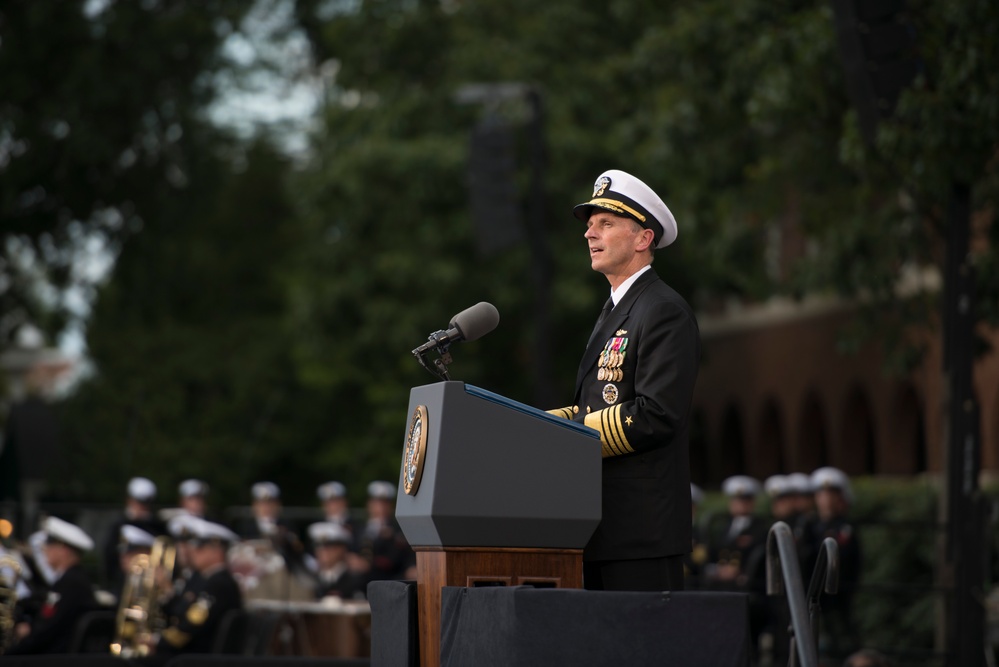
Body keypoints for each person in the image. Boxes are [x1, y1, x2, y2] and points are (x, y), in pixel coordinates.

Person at [545, 169, 700, 592]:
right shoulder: (619, 306)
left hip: (640, 533)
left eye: (605, 223)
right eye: (590, 225)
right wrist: (533, 424)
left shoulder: (662, 309)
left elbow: (656, 414)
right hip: (601, 526)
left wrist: (566, 433)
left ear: (643, 238)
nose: (589, 234)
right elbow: (595, 406)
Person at [152, 518, 243, 659]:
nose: (192, 551)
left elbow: (191, 626)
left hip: (198, 658)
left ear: (216, 551)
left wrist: (156, 642)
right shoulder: (208, 580)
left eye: (199, 547)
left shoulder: (219, 584)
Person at [7, 516, 97, 654]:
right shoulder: (72, 579)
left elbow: (45, 633)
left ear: (64, 550)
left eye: (49, 545)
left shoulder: (70, 583)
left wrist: (10, 653)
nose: (45, 550)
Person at [810, 466, 862, 661]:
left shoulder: (844, 528)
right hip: (814, 596)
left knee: (840, 643)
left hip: (836, 598)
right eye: (821, 494)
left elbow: (846, 561)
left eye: (831, 494)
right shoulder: (811, 525)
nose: (825, 500)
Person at [102, 477, 166, 587]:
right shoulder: (119, 526)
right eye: (139, 502)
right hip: (122, 584)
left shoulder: (158, 527)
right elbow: (109, 557)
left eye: (145, 503)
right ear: (129, 500)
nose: (141, 507)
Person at [356, 481, 415, 581]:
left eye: (385, 504)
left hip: (390, 579)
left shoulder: (400, 530)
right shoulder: (359, 528)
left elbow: (403, 558)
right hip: (361, 581)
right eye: (377, 503)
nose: (381, 508)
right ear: (369, 504)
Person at [308, 522, 367, 600]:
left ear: (343, 549)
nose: (323, 552)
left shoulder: (355, 578)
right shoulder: (312, 578)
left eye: (330, 547)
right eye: (319, 546)